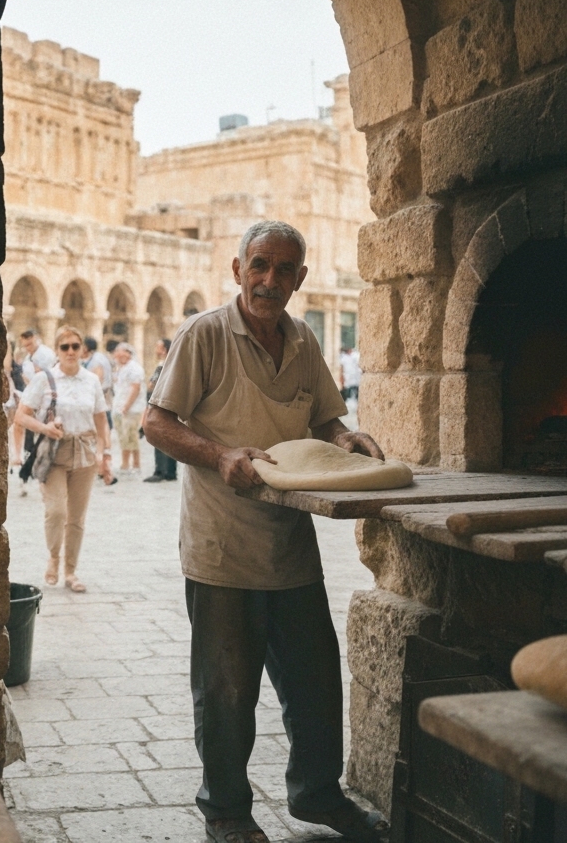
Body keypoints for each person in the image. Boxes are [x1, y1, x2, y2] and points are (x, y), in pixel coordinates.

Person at [144, 220, 389, 843]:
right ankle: (226, 812)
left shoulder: (303, 340)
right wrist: (220, 453)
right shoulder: (205, 334)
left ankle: (317, 795)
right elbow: (156, 422)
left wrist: (346, 438)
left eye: (283, 270)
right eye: (259, 265)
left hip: (290, 549)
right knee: (226, 692)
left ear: (300, 279)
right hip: (222, 549)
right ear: (238, 269)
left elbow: (326, 419)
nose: (268, 280)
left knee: (315, 684)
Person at [13, 325, 112, 594]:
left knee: (76, 517)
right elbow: (21, 416)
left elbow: (101, 419)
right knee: (56, 511)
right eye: (64, 347)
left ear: (82, 349)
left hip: (85, 452)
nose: (70, 351)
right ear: (56, 350)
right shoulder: (44, 379)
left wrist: (105, 453)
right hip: (54, 453)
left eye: (75, 346)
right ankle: (54, 556)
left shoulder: (91, 380)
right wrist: (45, 428)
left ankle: (70, 571)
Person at [143, 338, 178, 483]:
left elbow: (154, 384)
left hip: (162, 406)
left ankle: (162, 471)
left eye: (158, 347)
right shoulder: (165, 364)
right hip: (162, 405)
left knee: (161, 437)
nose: (156, 350)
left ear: (164, 349)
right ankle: (169, 471)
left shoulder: (167, 365)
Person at [112, 343, 146, 473]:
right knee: (124, 437)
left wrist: (126, 406)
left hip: (131, 409)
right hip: (119, 407)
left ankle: (131, 464)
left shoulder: (134, 368)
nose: (117, 356)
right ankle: (129, 464)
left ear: (128, 354)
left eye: (120, 353)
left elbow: (135, 389)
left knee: (130, 437)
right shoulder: (121, 368)